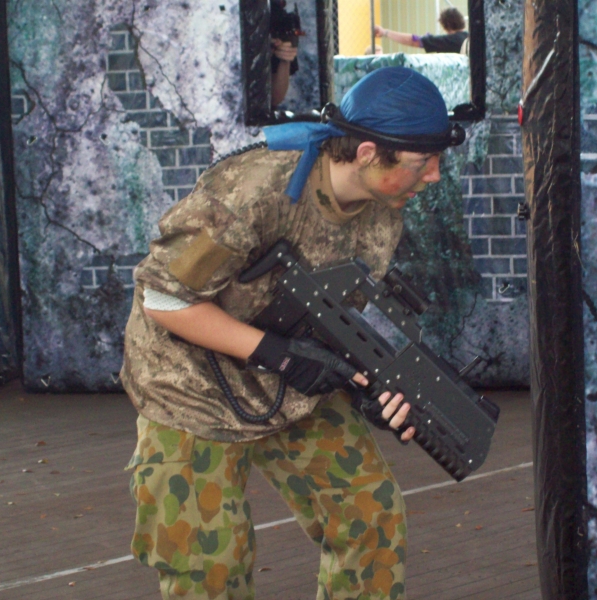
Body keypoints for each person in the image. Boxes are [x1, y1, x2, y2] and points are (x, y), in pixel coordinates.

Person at [122, 66, 465, 600]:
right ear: (369, 153)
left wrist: (371, 391)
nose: (435, 176)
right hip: (187, 385)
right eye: (424, 163)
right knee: (210, 564)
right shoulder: (254, 190)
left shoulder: (382, 213)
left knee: (370, 518)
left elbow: (333, 316)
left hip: (286, 385)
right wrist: (277, 354)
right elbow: (163, 298)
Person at [374, 8, 468, 54]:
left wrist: (385, 32)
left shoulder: (450, 41)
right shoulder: (469, 38)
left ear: (446, 26)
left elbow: (414, 41)